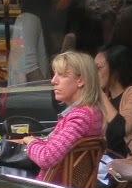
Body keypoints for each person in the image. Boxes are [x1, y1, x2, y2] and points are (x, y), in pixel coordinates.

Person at [10, 51, 104, 179]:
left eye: (62, 75)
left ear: (81, 80)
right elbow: (56, 148)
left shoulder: (81, 117)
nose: (54, 81)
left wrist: (30, 141)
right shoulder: (91, 112)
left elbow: (47, 158)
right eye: (55, 74)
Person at [95, 45, 132, 159]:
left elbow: (123, 129)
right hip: (109, 164)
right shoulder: (107, 99)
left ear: (116, 70)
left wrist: (100, 95)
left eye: (98, 68)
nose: (94, 74)